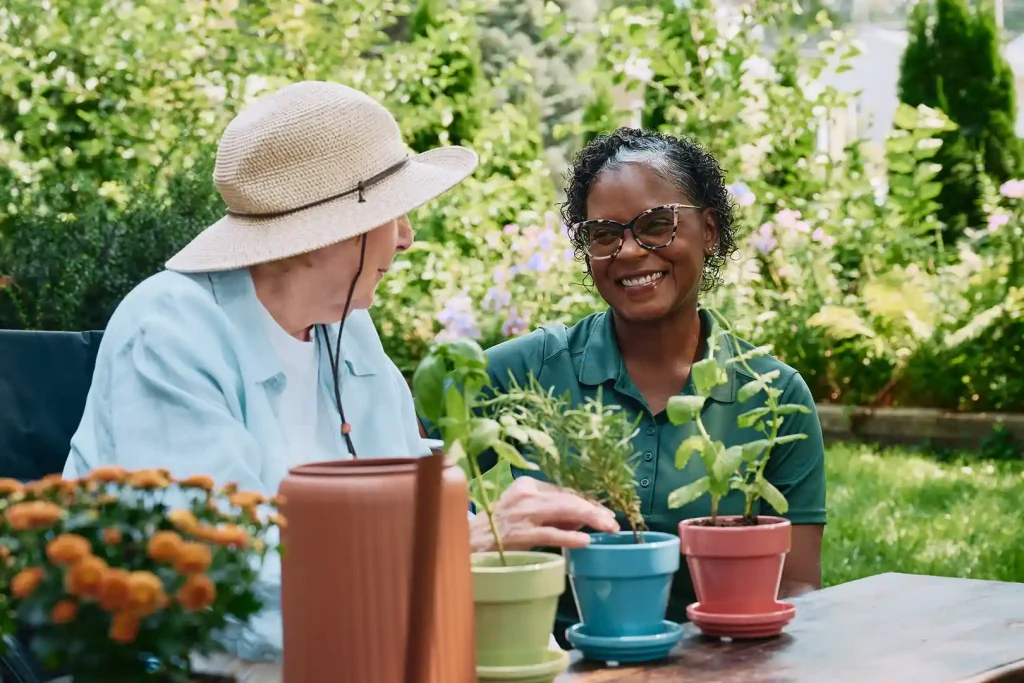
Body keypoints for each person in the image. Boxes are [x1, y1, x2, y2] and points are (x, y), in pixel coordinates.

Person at [61, 81, 616, 682]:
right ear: (327, 231)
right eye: (389, 214)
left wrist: (483, 534)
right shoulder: (171, 330)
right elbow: (221, 584)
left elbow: (408, 519)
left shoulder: (347, 325)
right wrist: (459, 547)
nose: (406, 236)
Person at [480, 128, 827, 646]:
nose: (629, 251)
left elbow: (798, 587)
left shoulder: (775, 395)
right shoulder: (525, 370)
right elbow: (399, 465)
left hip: (725, 667)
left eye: (657, 225)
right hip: (559, 666)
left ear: (708, 229)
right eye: (604, 234)